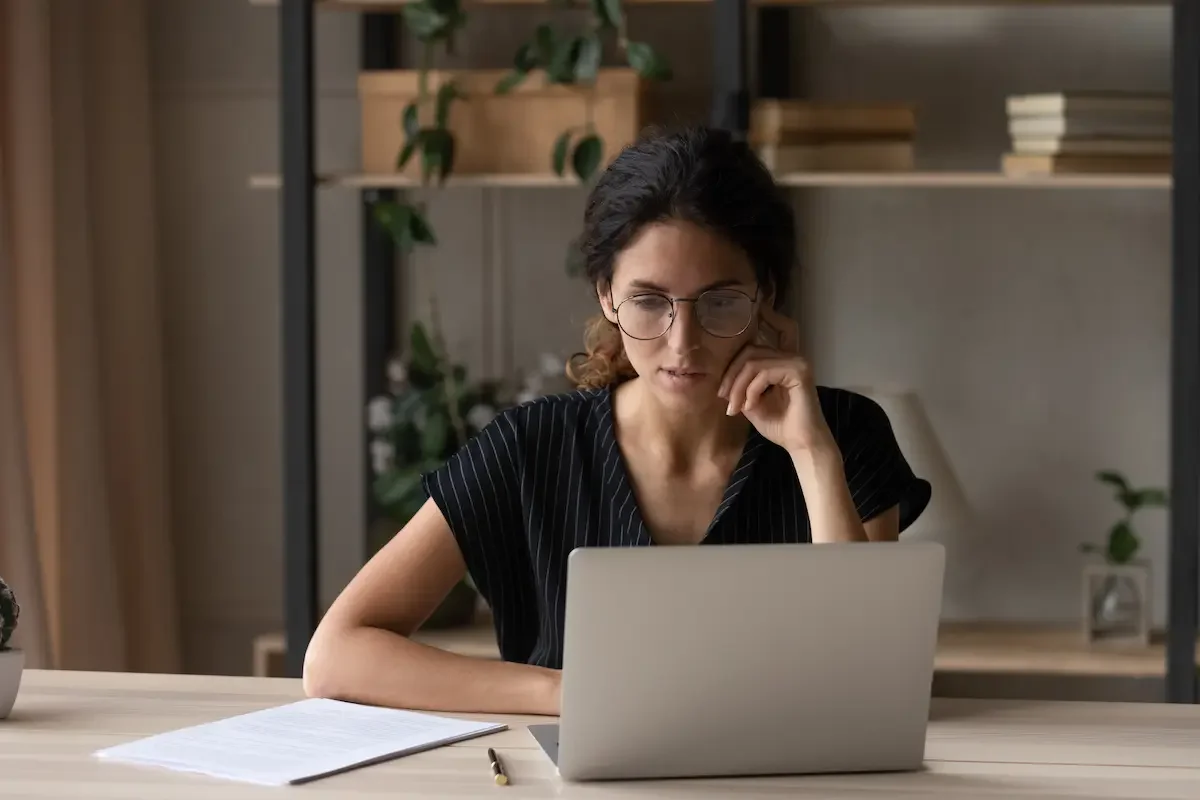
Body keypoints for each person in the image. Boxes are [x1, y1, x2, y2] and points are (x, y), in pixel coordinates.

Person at [302, 124, 931, 717]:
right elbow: (335, 656)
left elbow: (868, 671)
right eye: (649, 301)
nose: (682, 342)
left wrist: (812, 453)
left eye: (718, 301)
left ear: (765, 293)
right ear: (606, 293)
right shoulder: (532, 446)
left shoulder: (845, 433)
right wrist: (573, 692)